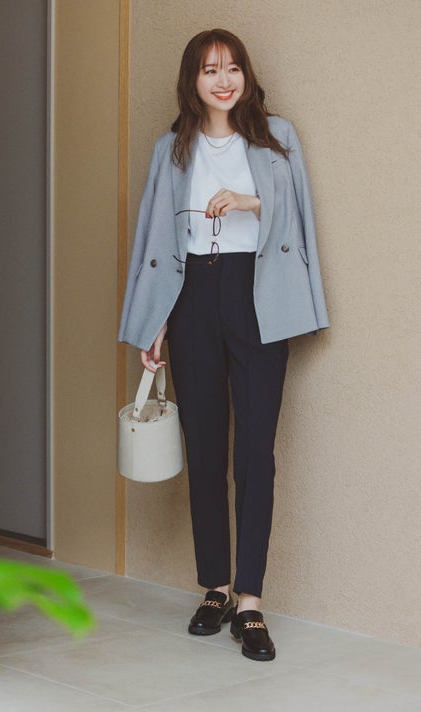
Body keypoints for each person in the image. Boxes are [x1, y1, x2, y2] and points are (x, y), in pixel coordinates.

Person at [118, 29, 329, 661]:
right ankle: (214, 588)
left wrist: (247, 200)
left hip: (257, 294)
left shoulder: (276, 138)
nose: (223, 80)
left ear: (245, 76)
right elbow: (154, 239)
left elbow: (298, 218)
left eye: (233, 68)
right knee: (205, 448)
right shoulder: (171, 148)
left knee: (256, 452)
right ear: (193, 80)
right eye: (210, 70)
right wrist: (153, 323)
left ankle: (250, 602)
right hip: (191, 297)